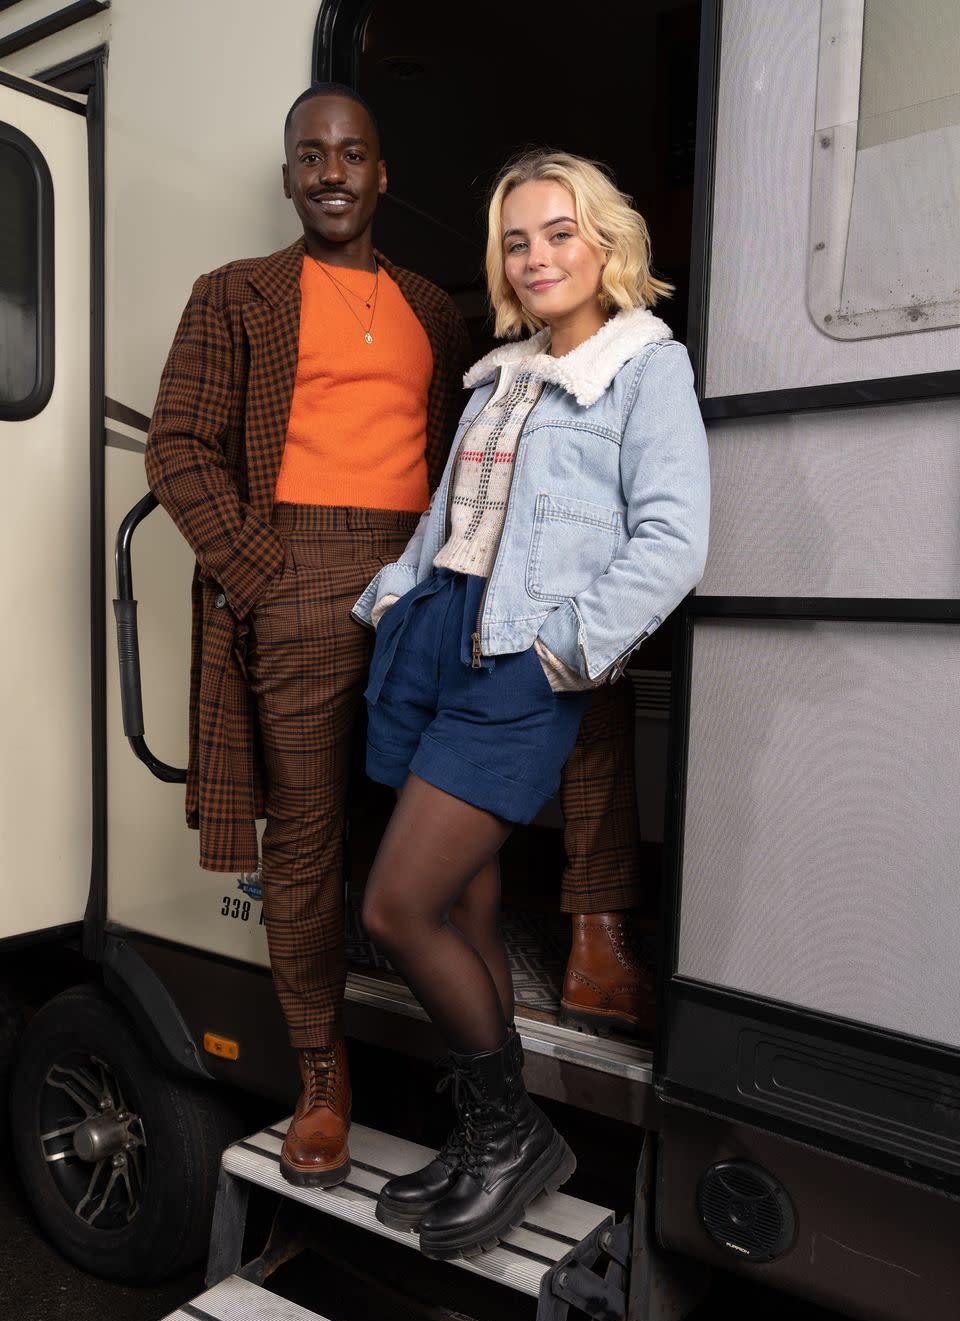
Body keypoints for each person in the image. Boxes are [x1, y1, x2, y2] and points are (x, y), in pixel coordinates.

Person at [354, 150, 710, 1259]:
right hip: (431, 640)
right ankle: (480, 1136)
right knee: (458, 905)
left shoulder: (644, 369)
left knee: (393, 909)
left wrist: (565, 654)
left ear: (606, 243)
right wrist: (391, 602)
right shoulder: (496, 376)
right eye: (518, 239)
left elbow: (673, 542)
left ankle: (516, 1141)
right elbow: (446, 523)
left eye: (560, 232)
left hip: (516, 658)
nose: (538, 255)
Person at [145, 83, 471, 1188]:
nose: (331, 172)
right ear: (289, 177)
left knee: (448, 810)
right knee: (310, 839)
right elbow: (178, 448)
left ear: (384, 176)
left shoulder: (435, 306)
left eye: (352, 154)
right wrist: (263, 576)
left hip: (423, 578)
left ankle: (472, 1066)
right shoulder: (235, 294)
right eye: (310, 155)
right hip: (297, 577)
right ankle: (322, 1079)